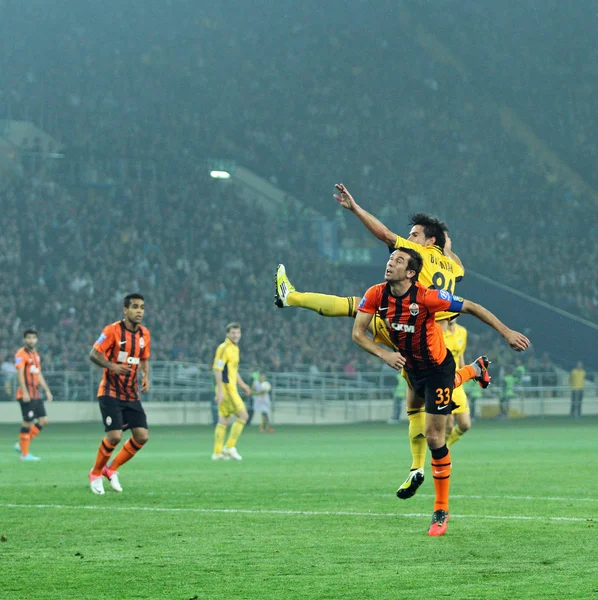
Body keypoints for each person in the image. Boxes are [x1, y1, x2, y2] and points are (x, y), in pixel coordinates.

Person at [275, 183, 490, 496]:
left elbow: (385, 234)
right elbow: (459, 263)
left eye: (415, 234)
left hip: (410, 326)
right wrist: (444, 241)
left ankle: (291, 297)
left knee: (353, 307)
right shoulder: (452, 266)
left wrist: (355, 208)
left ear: (428, 241)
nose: (409, 240)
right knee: (419, 396)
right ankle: (417, 467)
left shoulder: (417, 254)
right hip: (429, 336)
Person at [352, 248, 529, 536]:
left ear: (410, 273)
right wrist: (384, 355)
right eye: (390, 259)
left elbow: (471, 306)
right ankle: (474, 370)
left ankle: (440, 509)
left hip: (437, 368)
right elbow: (357, 333)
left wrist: (507, 333)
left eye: (398, 261)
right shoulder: (375, 294)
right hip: (412, 368)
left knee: (435, 437)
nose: (390, 263)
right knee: (413, 415)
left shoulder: (426, 297)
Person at [87, 293, 151, 495]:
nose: (139, 311)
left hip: (131, 394)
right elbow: (94, 354)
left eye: (141, 307)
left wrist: (145, 376)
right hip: (110, 392)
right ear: (125, 310)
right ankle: (96, 473)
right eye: (134, 307)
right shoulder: (112, 330)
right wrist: (112, 366)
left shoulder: (144, 334)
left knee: (142, 436)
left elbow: (144, 358)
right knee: (114, 436)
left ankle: (111, 469)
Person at [212, 322, 252, 460]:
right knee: (243, 416)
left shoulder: (235, 348)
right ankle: (229, 447)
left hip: (231, 387)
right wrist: (220, 391)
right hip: (227, 388)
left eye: (238, 333)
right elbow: (217, 369)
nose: (236, 335)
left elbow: (233, 370)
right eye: (233, 333)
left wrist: (242, 385)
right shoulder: (223, 348)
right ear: (227, 334)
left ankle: (217, 453)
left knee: (224, 419)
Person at [14, 329, 53, 461]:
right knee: (27, 423)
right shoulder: (21, 354)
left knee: (43, 421)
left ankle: (22, 444)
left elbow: (38, 373)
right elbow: (20, 374)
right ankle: (24, 454)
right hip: (26, 395)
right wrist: (24, 392)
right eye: (28, 338)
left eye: (33, 338)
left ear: (36, 339)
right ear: (24, 339)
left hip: (36, 395)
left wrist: (46, 390)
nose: (31, 340)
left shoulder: (36, 355)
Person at [441, 318, 476, 448]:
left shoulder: (462, 332)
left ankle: (446, 447)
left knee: (465, 424)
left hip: (457, 383)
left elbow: (460, 356)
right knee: (448, 424)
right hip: (442, 383)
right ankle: (440, 454)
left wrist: (467, 373)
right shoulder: (438, 332)